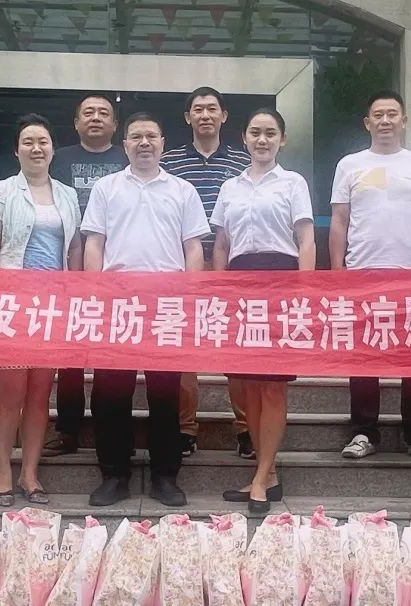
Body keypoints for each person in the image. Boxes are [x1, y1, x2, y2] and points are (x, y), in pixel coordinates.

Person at [81, 111, 210, 507]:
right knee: (110, 392)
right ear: (125, 145)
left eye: (151, 136)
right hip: (117, 301)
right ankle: (114, 475)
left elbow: (193, 248)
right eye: (136, 136)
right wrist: (95, 294)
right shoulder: (106, 188)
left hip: (167, 303)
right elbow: (94, 244)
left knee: (166, 393)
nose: (144, 143)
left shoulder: (183, 190)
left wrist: (190, 297)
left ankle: (165, 476)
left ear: (162, 144)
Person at [328, 90, 411, 462]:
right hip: (363, 270)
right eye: (378, 114)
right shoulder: (350, 164)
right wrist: (337, 270)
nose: (385, 120)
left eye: (392, 114)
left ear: (404, 121)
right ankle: (364, 431)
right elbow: (340, 220)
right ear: (367, 123)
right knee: (363, 356)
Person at [212, 108, 315, 513]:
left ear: (282, 139)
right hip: (240, 283)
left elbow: (306, 239)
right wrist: (220, 291)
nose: (262, 140)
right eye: (255, 132)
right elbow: (222, 244)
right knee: (247, 385)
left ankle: (260, 476)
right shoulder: (230, 186)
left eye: (270, 133)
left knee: (272, 385)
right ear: (244, 138)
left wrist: (305, 290)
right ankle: (265, 473)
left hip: (282, 282)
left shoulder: (293, 183)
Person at [0, 114, 82, 506]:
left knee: (41, 393)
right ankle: (3, 473)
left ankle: (30, 473)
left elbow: (74, 248)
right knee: (10, 391)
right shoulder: (2, 190)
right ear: (16, 150)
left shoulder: (67, 195)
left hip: (53, 305)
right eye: (28, 142)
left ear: (53, 149)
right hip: (13, 301)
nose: (36, 148)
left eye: (43, 142)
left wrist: (76, 293)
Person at [160, 86, 252, 458]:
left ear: (223, 115)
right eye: (197, 109)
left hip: (233, 266)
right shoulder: (168, 161)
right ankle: (185, 428)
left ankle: (246, 428)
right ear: (188, 117)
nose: (205, 115)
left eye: (212, 108)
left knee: (237, 348)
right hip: (182, 265)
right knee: (183, 349)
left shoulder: (244, 162)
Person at [43, 93, 126, 457]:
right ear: (76, 122)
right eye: (88, 113)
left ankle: (112, 424)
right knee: (71, 352)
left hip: (119, 268)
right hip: (67, 264)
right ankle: (68, 427)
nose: (95, 118)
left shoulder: (127, 157)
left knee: (115, 353)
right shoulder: (58, 159)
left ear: (115, 125)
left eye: (103, 113)